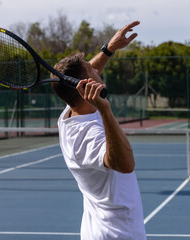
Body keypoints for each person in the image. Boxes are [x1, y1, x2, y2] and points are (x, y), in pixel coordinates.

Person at [51, 21, 147, 239]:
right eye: (90, 70)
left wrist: (108, 49)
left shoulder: (73, 108)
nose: (96, 69)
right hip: (116, 234)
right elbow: (125, 164)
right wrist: (106, 112)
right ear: (85, 86)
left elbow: (88, 73)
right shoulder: (83, 136)